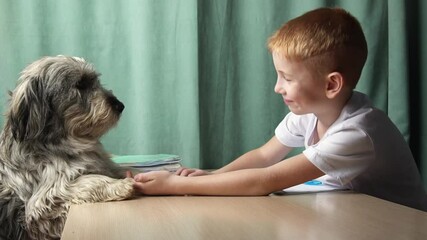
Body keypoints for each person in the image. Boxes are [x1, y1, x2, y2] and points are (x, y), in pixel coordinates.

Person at [133, 7, 427, 211]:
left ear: (331, 85)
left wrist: (172, 185)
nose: (277, 87)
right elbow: (264, 156)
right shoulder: (311, 113)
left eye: (287, 78)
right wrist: (211, 176)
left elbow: (266, 180)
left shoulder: (358, 132)